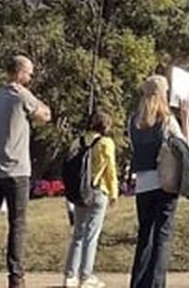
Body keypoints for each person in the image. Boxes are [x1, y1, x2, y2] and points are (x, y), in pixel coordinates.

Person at [0, 55, 51, 288]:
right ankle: (16, 276)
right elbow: (45, 116)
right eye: (29, 73)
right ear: (20, 72)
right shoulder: (20, 95)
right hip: (16, 170)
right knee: (18, 223)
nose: (31, 78)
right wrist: (35, 101)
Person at [127, 74, 189, 288]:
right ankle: (156, 284)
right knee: (162, 237)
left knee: (145, 237)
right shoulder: (166, 120)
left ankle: (138, 283)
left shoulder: (133, 121)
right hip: (165, 182)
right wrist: (185, 119)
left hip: (143, 185)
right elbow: (185, 150)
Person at [63, 111, 118, 288]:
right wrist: (114, 193)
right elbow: (110, 170)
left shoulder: (77, 142)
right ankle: (86, 276)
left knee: (78, 233)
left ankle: (70, 275)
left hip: (80, 191)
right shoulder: (106, 143)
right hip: (97, 190)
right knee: (91, 235)